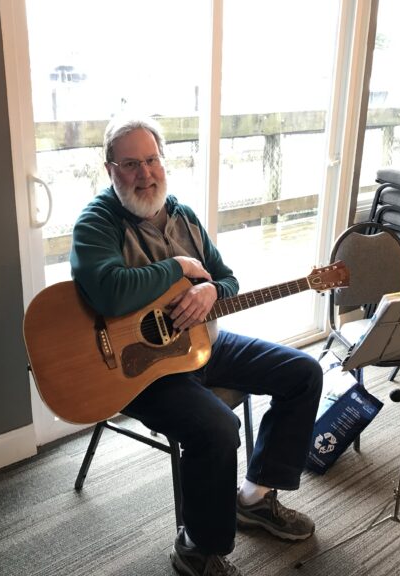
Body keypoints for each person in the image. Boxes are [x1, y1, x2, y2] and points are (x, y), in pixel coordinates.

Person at [70, 114, 323, 576]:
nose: (145, 174)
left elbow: (226, 280)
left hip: (204, 345)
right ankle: (196, 548)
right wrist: (179, 267)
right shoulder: (97, 222)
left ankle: (255, 498)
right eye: (130, 164)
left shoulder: (183, 216)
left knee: (303, 373)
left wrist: (210, 291)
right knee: (218, 428)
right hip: (139, 370)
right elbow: (108, 292)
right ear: (110, 170)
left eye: (151, 160)